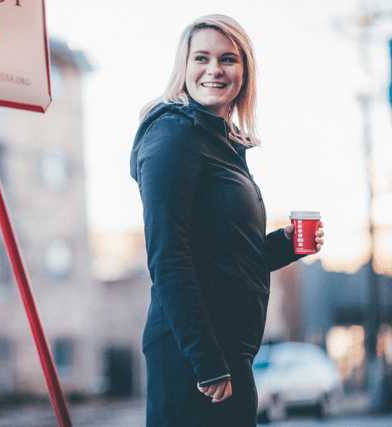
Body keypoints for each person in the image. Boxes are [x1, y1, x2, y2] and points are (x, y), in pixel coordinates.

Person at [129, 14, 325, 426]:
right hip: (195, 359)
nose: (214, 69)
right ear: (184, 67)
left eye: (228, 59)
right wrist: (206, 360)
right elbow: (168, 257)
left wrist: (284, 245)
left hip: (231, 352)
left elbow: (227, 256)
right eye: (201, 57)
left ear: (244, 72)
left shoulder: (223, 143)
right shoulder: (174, 135)